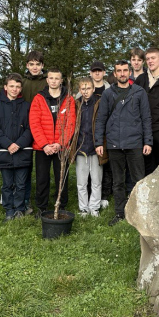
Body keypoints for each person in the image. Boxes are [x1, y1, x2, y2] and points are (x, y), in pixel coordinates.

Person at [96, 60, 152, 225]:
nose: (122, 73)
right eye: (119, 71)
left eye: (125, 70)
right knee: (118, 181)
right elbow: (101, 119)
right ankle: (120, 213)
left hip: (135, 142)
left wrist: (147, 141)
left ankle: (140, 213)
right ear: (114, 74)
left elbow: (146, 118)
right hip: (114, 143)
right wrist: (99, 142)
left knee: (138, 180)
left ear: (129, 73)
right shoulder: (108, 94)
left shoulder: (139, 92)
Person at [29, 68, 76, 214]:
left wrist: (60, 143)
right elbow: (34, 123)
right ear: (47, 80)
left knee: (61, 178)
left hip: (60, 147)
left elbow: (71, 123)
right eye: (51, 78)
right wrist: (44, 144)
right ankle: (42, 207)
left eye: (57, 78)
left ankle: (60, 206)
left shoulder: (68, 99)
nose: (54, 81)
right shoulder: (39, 98)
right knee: (42, 178)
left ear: (61, 80)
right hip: (43, 147)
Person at [0, 73, 33, 221]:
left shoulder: (27, 106)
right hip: (4, 151)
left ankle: (19, 209)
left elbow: (31, 128)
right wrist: (8, 144)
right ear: (6, 87)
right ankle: (9, 210)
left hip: (22, 151)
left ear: (21, 89)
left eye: (18, 87)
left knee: (21, 184)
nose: (15, 89)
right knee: (7, 184)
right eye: (12, 86)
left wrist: (19, 144)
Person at [70, 77, 106, 217]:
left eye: (88, 88)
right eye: (83, 89)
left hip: (96, 147)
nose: (85, 92)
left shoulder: (99, 103)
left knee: (96, 180)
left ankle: (94, 207)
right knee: (81, 181)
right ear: (79, 90)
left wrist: (100, 143)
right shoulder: (76, 104)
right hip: (81, 148)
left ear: (93, 89)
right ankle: (83, 208)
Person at [21, 50, 48, 214]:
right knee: (24, 166)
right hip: (24, 128)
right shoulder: (22, 81)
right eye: (31, 64)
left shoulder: (47, 81)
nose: (35, 67)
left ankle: (41, 200)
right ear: (27, 65)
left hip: (42, 128)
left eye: (37, 64)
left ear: (42, 66)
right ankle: (24, 200)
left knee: (41, 169)